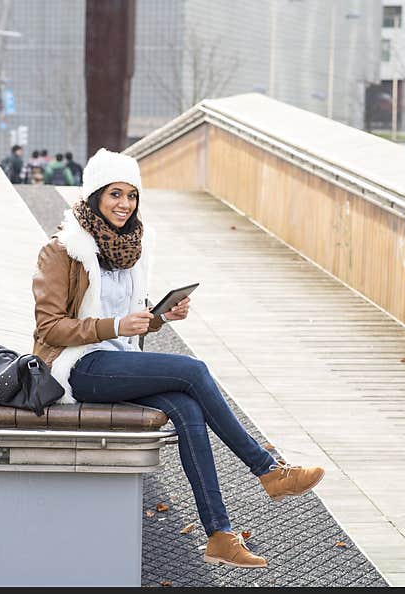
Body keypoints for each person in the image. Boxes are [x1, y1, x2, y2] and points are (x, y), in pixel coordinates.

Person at [31, 148, 325, 568]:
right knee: (193, 370)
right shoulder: (62, 250)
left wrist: (160, 316)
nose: (124, 204)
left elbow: (130, 318)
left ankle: (220, 536)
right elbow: (48, 327)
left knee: (187, 407)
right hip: (77, 366)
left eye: (131, 196)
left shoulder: (132, 247)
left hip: (119, 363)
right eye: (115, 194)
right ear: (95, 194)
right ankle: (268, 471)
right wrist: (114, 327)